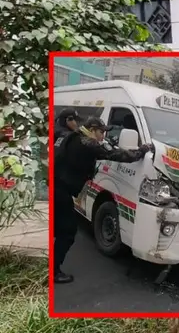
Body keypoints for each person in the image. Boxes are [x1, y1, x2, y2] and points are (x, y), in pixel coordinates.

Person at [52, 117, 152, 284]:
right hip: (60, 191)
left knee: (57, 228)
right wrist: (142, 150)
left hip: (55, 186)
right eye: (101, 132)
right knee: (67, 232)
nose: (103, 136)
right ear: (91, 129)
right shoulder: (87, 143)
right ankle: (53, 272)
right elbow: (114, 154)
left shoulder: (73, 136)